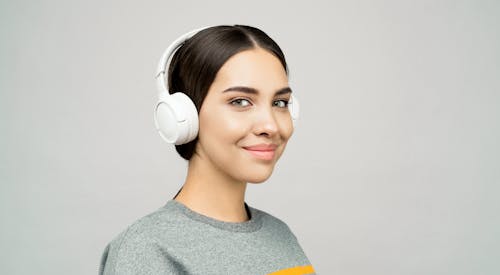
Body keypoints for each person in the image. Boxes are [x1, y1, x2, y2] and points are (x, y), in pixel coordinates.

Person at [99, 25, 316, 275]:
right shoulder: (147, 249)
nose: (270, 125)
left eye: (280, 103)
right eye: (240, 101)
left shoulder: (281, 235)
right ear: (184, 116)